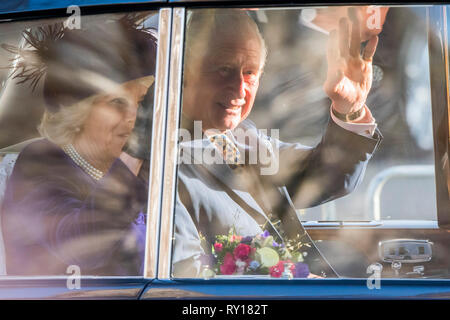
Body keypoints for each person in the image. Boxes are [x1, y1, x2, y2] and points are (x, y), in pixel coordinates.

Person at [172, 8, 383, 278]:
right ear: (187, 71)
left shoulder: (242, 136)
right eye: (223, 69)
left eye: (249, 73)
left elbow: (328, 176)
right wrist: (295, 281)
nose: (239, 90)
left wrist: (349, 109)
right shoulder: (162, 158)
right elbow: (185, 275)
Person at [0, 15, 157, 275]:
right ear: (78, 112)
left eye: (140, 102)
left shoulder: (143, 169)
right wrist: (133, 153)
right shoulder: (41, 163)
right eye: (117, 103)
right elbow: (87, 247)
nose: (134, 117)